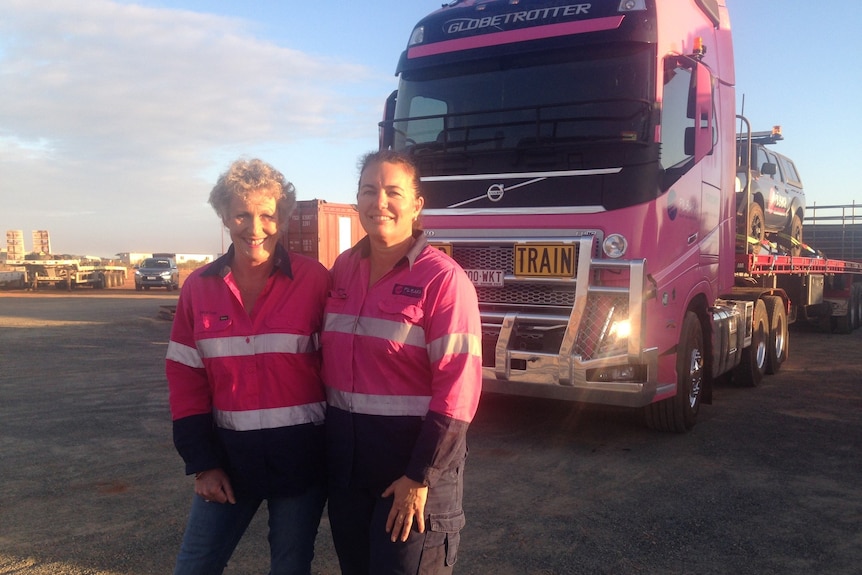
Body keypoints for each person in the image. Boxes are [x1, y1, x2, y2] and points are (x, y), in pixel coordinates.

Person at [320, 150, 483, 574]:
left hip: (413, 475)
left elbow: (458, 392)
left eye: (394, 191)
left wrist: (420, 476)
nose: (380, 202)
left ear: (416, 205)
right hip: (349, 475)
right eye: (369, 191)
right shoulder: (342, 270)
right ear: (357, 202)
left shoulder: (443, 280)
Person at [166, 158, 329, 575]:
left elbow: (342, 364)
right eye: (241, 214)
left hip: (302, 462)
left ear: (284, 218)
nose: (254, 228)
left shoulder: (316, 282)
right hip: (227, 462)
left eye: (267, 215)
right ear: (224, 215)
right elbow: (185, 382)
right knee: (194, 565)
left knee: (290, 567)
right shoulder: (197, 289)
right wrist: (202, 463)